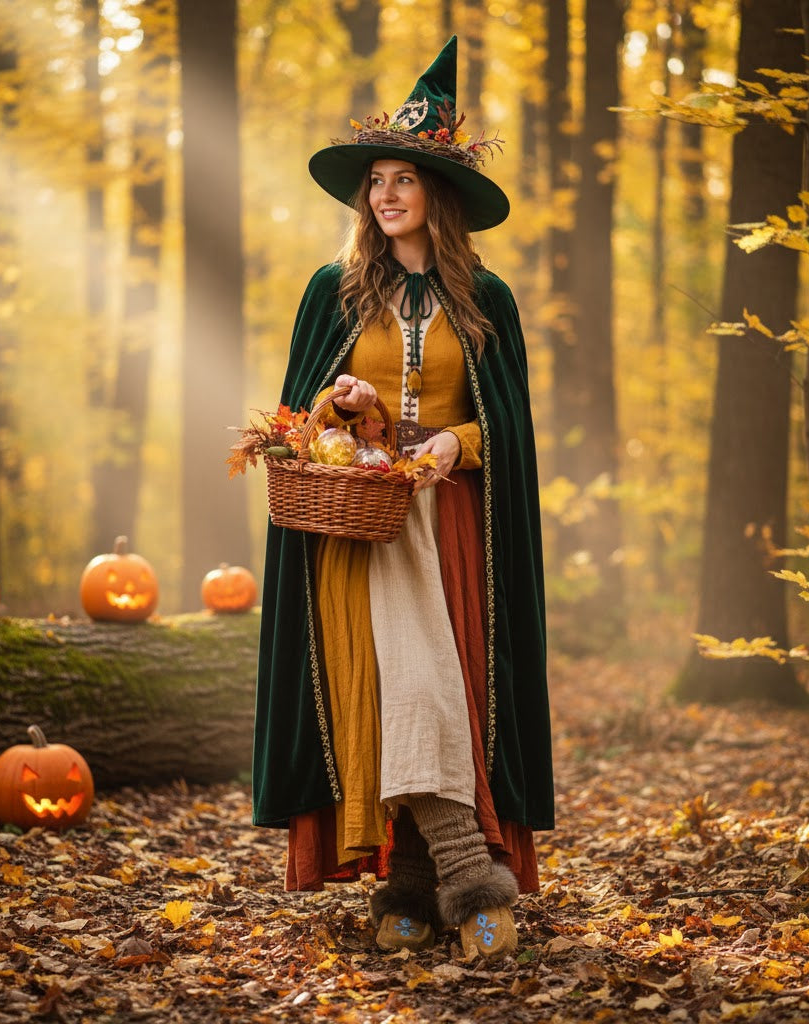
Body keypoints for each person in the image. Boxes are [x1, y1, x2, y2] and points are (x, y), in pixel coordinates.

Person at [252, 36, 553, 959]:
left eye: (403, 180)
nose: (384, 194)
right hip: (362, 530)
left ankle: (418, 883)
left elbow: (506, 428)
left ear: (438, 196)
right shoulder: (332, 293)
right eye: (375, 180)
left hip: (456, 525)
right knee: (388, 697)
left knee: (443, 697)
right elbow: (303, 416)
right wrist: (350, 409)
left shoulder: (485, 299)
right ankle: (461, 876)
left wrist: (450, 446)